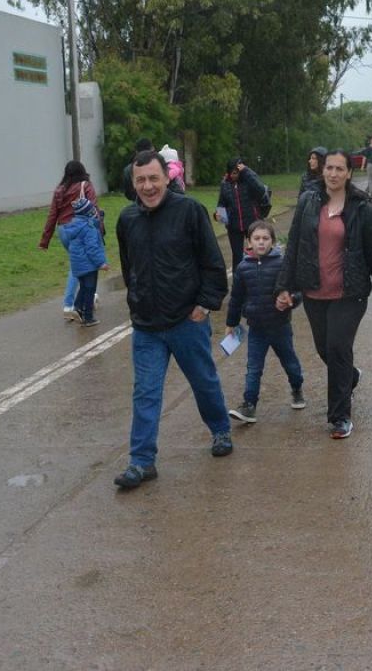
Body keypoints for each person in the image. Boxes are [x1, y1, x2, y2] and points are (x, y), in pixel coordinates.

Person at [114, 151, 233, 489]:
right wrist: (135, 302)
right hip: (147, 326)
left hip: (187, 320)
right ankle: (141, 462)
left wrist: (205, 305)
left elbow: (213, 263)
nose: (148, 186)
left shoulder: (190, 212)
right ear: (133, 183)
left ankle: (221, 430)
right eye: (141, 180)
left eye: (153, 178)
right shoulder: (127, 220)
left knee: (203, 381)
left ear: (167, 178)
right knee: (146, 393)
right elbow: (129, 268)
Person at [275, 149, 372, 439]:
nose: (332, 174)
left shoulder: (362, 207)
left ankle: (339, 417)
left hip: (350, 293)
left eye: (339, 169)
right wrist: (283, 287)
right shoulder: (308, 201)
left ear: (348, 173)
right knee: (324, 349)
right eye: (329, 168)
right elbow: (294, 246)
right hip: (314, 292)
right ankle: (351, 377)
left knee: (338, 349)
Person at [226, 220, 306, 423]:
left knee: (291, 364)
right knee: (253, 368)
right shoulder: (243, 268)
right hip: (256, 330)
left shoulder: (282, 264)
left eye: (265, 238)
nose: (261, 242)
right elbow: (236, 298)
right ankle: (249, 405)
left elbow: (298, 291)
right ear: (249, 241)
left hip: (280, 326)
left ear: (272, 241)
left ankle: (297, 388)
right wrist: (231, 322)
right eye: (257, 238)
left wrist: (291, 300)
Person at [40, 160, 99, 319]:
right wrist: (99, 231)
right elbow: (94, 209)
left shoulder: (59, 190)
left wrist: (45, 240)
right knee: (83, 266)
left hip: (63, 230)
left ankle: (86, 298)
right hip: (81, 229)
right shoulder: (85, 186)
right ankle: (70, 304)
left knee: (79, 264)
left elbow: (52, 215)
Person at [215, 157, 270, 272]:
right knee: (237, 256)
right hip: (234, 226)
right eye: (232, 173)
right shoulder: (225, 185)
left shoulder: (248, 181)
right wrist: (218, 215)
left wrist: (247, 171)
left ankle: (261, 273)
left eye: (237, 173)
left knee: (257, 251)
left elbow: (261, 190)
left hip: (252, 223)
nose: (234, 175)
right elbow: (221, 204)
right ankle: (238, 281)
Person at [60, 197, 109, 326]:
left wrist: (100, 219)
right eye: (93, 210)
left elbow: (92, 225)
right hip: (89, 266)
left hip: (78, 265)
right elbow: (92, 248)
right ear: (88, 213)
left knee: (83, 287)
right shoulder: (89, 228)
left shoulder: (76, 225)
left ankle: (77, 308)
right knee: (90, 290)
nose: (95, 211)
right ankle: (88, 317)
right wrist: (101, 263)